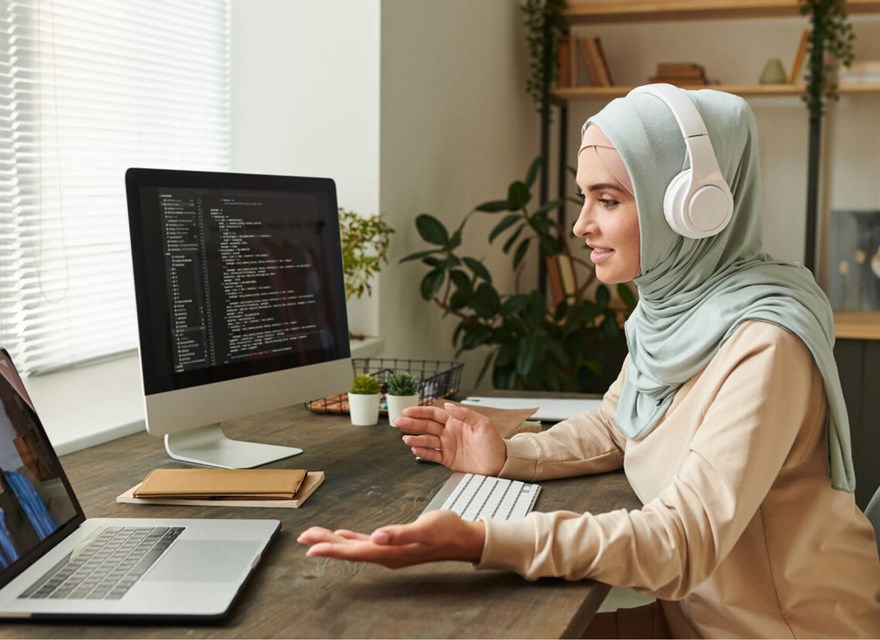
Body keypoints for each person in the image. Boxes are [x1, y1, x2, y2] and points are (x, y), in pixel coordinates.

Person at [298, 85, 880, 638]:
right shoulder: (673, 313)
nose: (581, 225)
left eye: (608, 200)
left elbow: (681, 540)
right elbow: (619, 421)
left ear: (692, 210)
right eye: (585, 198)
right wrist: (508, 455)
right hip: (695, 619)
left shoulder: (765, 347)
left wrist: (483, 539)